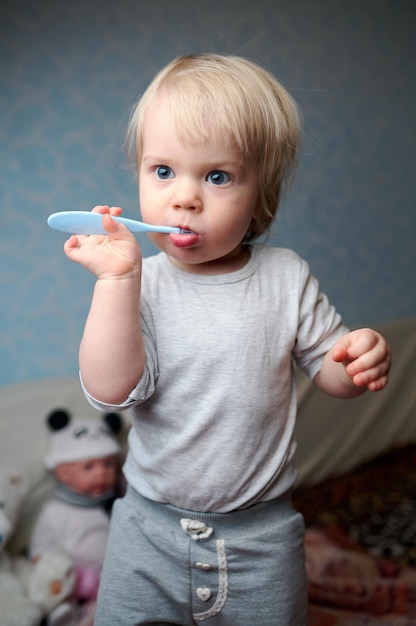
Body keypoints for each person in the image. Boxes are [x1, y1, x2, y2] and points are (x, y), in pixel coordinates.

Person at [62, 54, 391, 625]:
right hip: (148, 532)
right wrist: (117, 281)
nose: (184, 197)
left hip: (260, 539)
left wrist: (354, 359)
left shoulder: (286, 276)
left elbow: (329, 371)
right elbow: (111, 392)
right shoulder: (139, 281)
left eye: (217, 176)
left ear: (261, 196)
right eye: (163, 171)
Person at [30, 409, 123, 604]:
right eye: (89, 467)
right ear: (63, 473)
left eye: (108, 464)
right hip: (75, 584)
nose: (102, 474)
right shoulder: (56, 512)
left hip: (118, 581)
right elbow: (40, 550)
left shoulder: (119, 501)